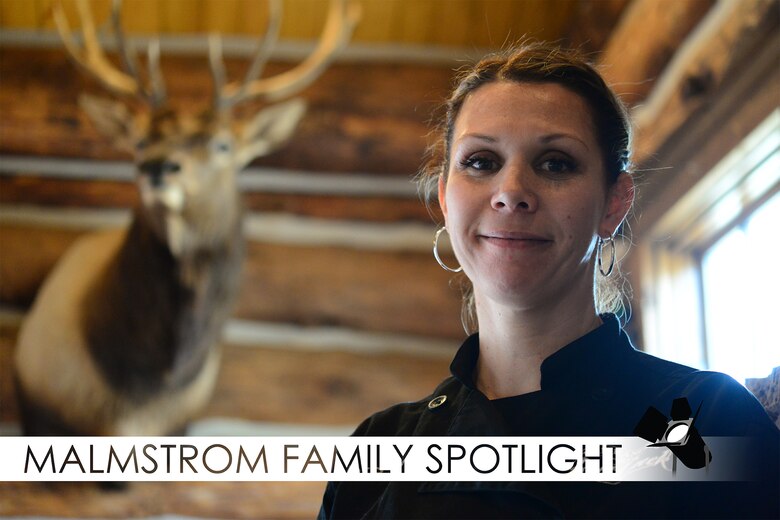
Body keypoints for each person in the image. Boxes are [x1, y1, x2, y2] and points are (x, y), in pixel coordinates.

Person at [319, 42, 779, 519]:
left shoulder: (711, 420)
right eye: (481, 161)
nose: (512, 192)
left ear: (614, 204)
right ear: (445, 198)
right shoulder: (378, 451)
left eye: (556, 163)